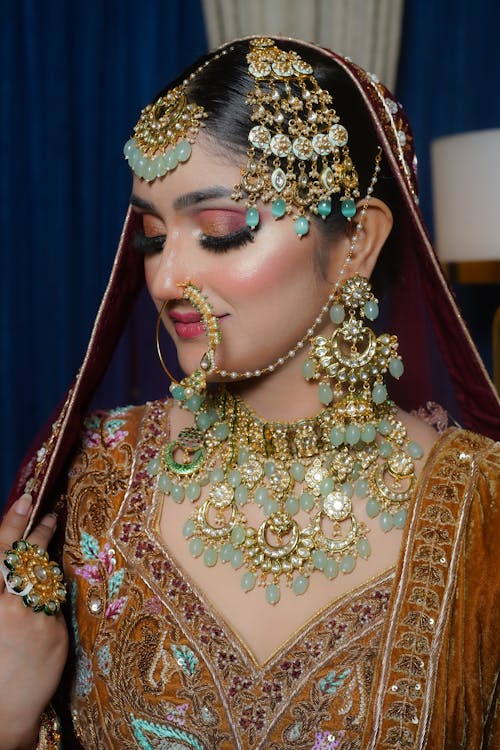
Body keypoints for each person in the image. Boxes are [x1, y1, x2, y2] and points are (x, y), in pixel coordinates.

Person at [1, 36, 498, 750]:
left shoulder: (481, 510)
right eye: (150, 235)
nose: (167, 278)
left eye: (221, 230)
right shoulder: (97, 480)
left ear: (356, 241)